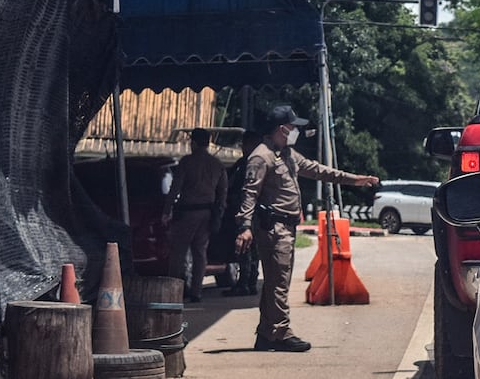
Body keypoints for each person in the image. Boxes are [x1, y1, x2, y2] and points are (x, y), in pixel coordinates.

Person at [235, 105, 379, 352]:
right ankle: (281, 333)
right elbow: (249, 193)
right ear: (282, 129)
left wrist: (354, 179)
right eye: (292, 127)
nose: (295, 131)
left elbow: (318, 170)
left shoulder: (287, 154)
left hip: (286, 227)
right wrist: (244, 226)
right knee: (278, 282)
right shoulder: (261, 156)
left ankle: (266, 333)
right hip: (273, 227)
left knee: (275, 283)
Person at [162, 127, 228, 303]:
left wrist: (167, 210)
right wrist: (219, 213)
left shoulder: (187, 162)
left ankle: (173, 291)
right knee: (200, 253)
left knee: (178, 253)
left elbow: (175, 188)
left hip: (187, 212)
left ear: (194, 143)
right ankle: (197, 291)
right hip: (207, 213)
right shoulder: (217, 164)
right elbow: (223, 192)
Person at [221, 129, 262, 296]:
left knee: (245, 248)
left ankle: (244, 282)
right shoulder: (254, 162)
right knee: (253, 249)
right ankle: (250, 281)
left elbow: (233, 186)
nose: (242, 147)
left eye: (245, 143)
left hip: (246, 211)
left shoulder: (248, 163)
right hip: (254, 211)